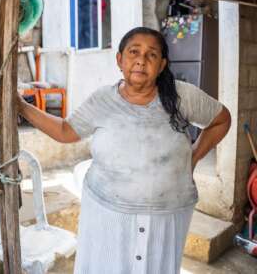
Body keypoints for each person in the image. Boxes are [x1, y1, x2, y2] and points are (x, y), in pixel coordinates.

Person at [17, 27, 231, 274]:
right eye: (134, 52)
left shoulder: (183, 96)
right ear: (120, 60)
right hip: (107, 213)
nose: (141, 59)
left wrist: (193, 157)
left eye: (151, 55)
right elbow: (66, 131)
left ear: (162, 65)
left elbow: (221, 119)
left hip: (168, 213)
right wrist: (22, 107)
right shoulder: (103, 100)